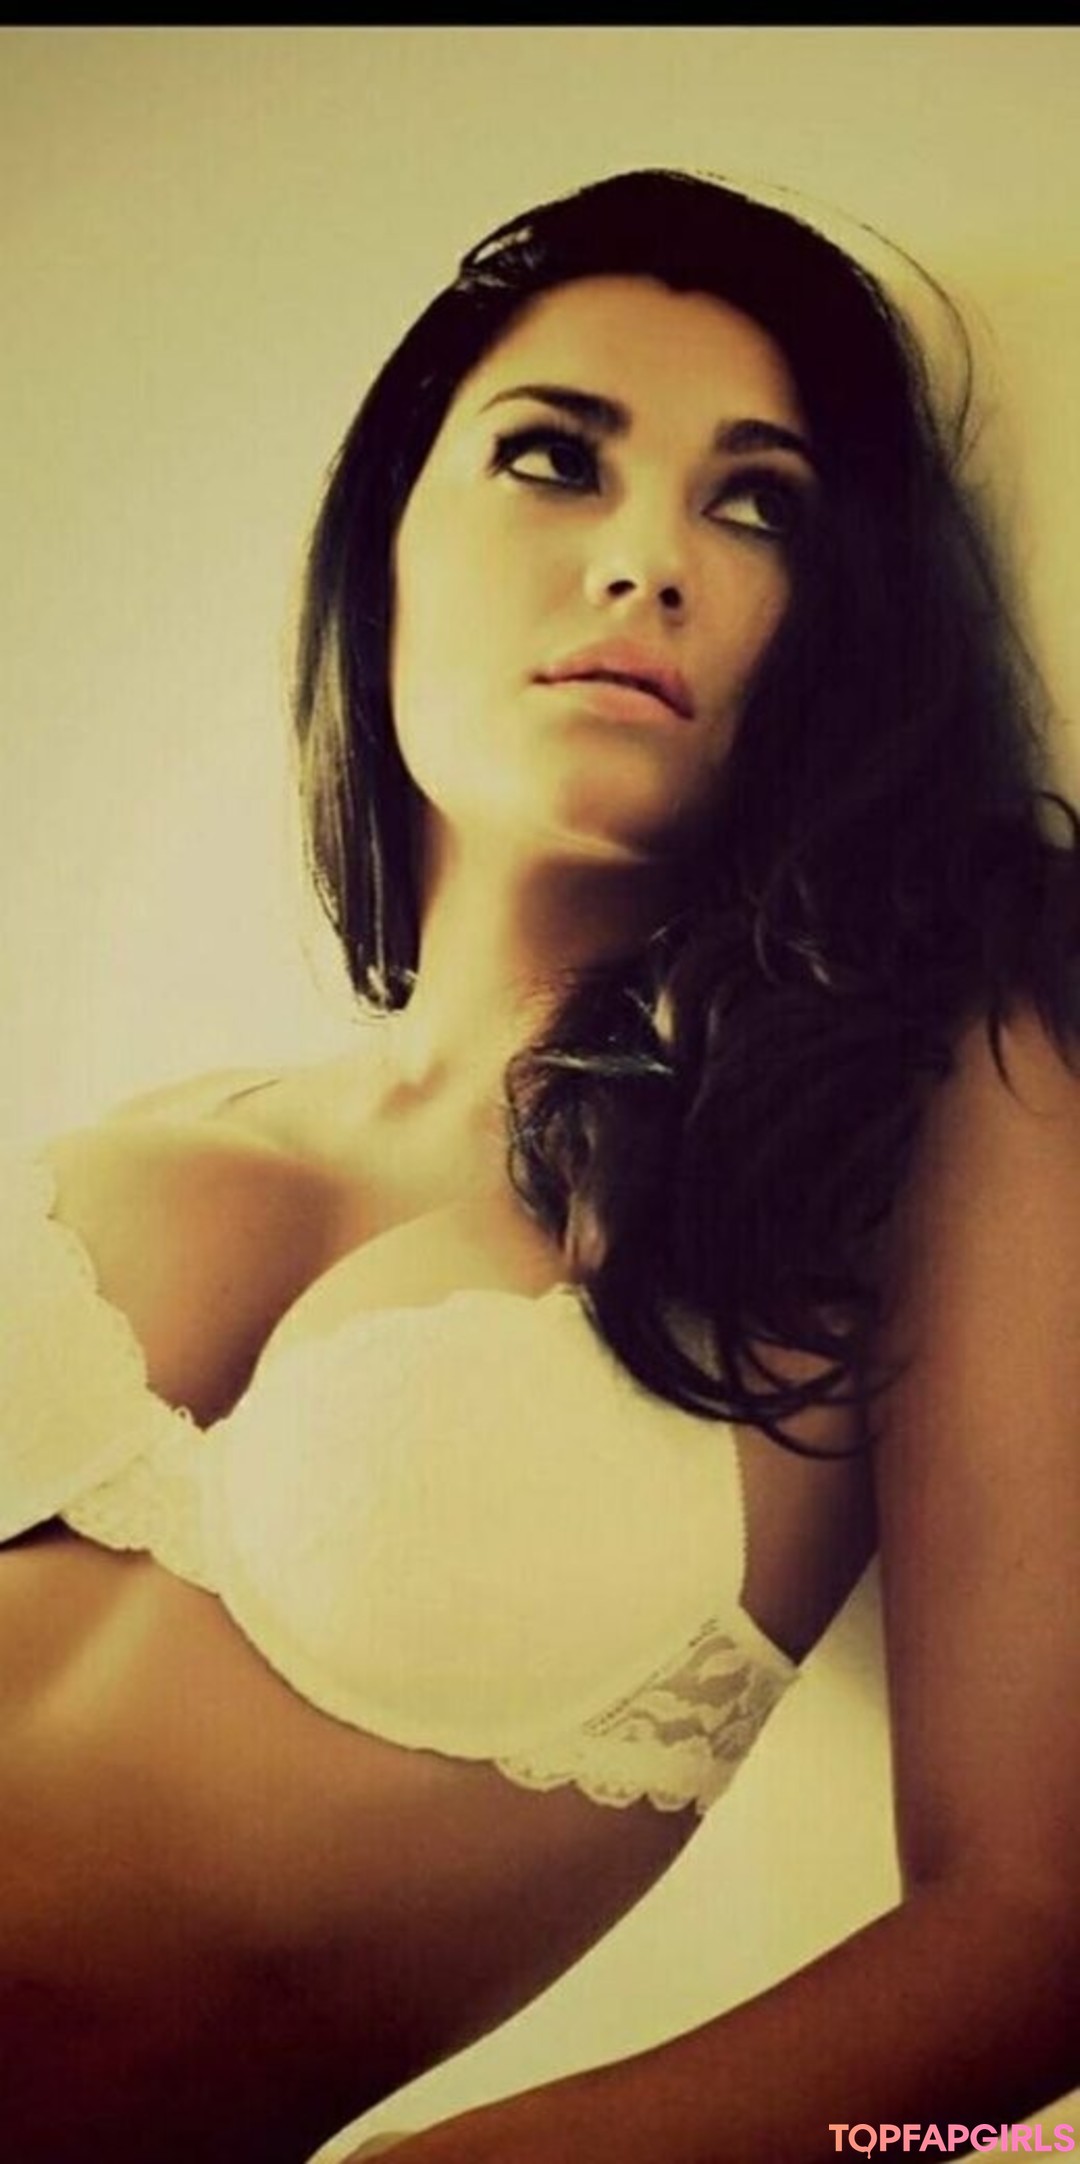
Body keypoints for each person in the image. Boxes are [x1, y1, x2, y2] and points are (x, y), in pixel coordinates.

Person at [1, 164, 1078, 2164]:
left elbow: (1035, 1936)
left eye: (757, 505)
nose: (648, 559)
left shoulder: (917, 1092)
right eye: (555, 457)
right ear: (385, 539)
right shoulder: (155, 1129)